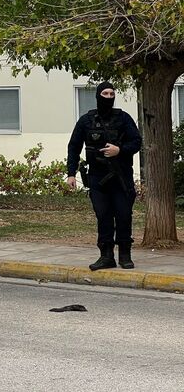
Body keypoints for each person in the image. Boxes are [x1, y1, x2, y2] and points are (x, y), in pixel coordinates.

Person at [67, 81, 142, 271]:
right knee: (103, 216)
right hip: (97, 178)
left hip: (121, 177)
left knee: (123, 215)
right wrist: (71, 173)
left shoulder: (123, 118)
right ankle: (106, 256)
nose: (108, 97)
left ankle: (125, 255)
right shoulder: (86, 120)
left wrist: (120, 150)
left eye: (111, 94)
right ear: (98, 96)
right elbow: (74, 147)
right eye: (105, 94)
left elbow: (136, 141)